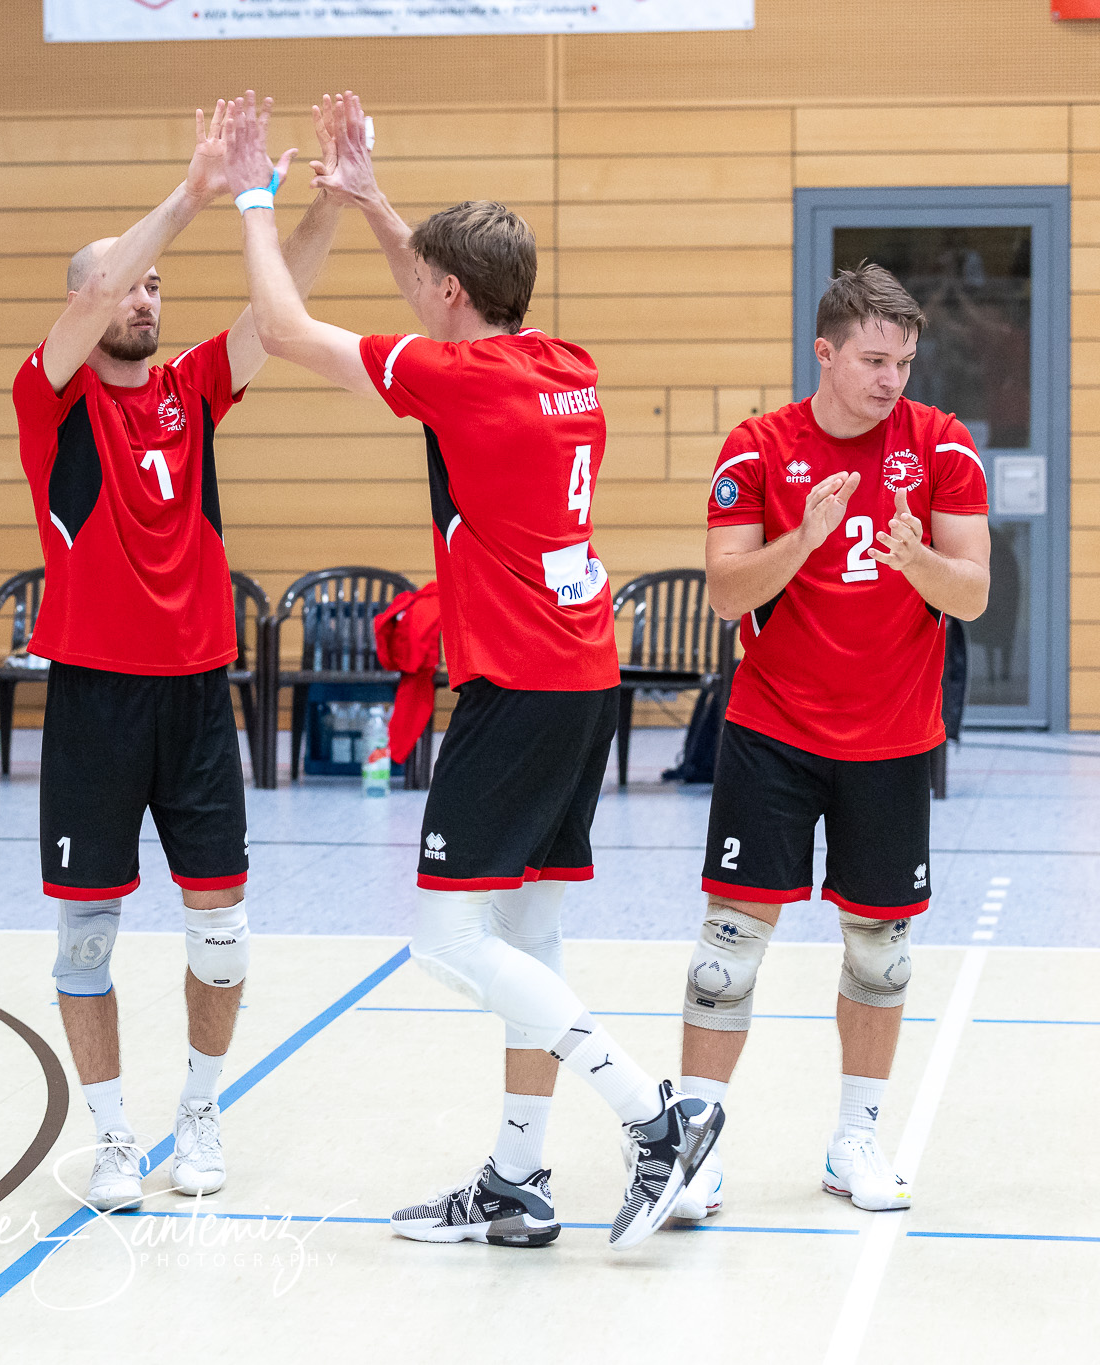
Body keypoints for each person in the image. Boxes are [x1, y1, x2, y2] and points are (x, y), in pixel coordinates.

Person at [225, 90, 721, 1248]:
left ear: (452, 295)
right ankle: (514, 1181)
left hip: (518, 691)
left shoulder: (461, 381)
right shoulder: (563, 366)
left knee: (450, 939)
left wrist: (259, 202)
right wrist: (370, 202)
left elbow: (289, 331)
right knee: (531, 942)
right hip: (583, 681)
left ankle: (652, 1117)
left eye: (431, 282)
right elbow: (450, 306)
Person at [17, 98, 342, 1211]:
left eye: (157, 284)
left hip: (198, 696)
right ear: (84, 301)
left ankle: (197, 1113)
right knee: (85, 936)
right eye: (127, 283)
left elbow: (277, 303)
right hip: (95, 701)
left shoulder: (191, 387)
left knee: (221, 930)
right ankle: (110, 1139)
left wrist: (323, 206)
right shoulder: (47, 395)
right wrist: (188, 193)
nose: (145, 296)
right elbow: (104, 282)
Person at [670, 264, 989, 1219]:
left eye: (904, 360)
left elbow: (970, 592)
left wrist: (916, 557)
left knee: (880, 954)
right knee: (726, 951)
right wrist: (799, 543)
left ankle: (856, 1141)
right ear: (826, 351)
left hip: (892, 739)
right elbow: (726, 592)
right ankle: (694, 1147)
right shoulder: (758, 449)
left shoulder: (941, 446)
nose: (893, 378)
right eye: (875, 359)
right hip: (772, 731)